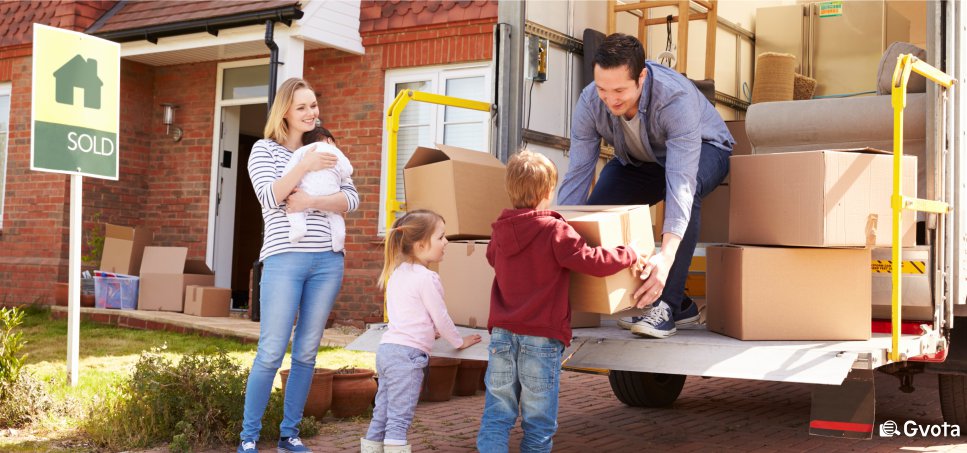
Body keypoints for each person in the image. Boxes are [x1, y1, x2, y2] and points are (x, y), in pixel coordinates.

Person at [558, 33, 734, 339]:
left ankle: (666, 305)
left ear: (641, 76)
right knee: (597, 208)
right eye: (602, 89)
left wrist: (664, 259)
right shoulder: (589, 101)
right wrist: (553, 234)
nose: (610, 99)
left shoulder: (674, 99)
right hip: (642, 161)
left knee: (685, 192)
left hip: (706, 150)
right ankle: (664, 302)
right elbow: (578, 174)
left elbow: (680, 184)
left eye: (619, 90)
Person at [477, 150, 643, 453]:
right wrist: (629, 252)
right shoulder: (555, 229)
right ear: (548, 192)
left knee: (497, 416)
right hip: (541, 338)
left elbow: (492, 258)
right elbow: (592, 261)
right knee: (538, 424)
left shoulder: (500, 231)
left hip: (501, 336)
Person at [239, 78, 359, 453]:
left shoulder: (325, 148)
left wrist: (310, 202)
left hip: (328, 262)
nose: (312, 112)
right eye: (303, 107)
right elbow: (271, 197)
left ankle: (289, 434)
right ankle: (249, 437)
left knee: (307, 351)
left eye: (314, 105)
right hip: (283, 260)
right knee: (272, 351)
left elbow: (351, 199)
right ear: (285, 112)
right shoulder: (264, 151)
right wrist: (304, 164)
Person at [361, 209, 482, 453]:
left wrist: (428, 332)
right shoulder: (427, 278)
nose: (446, 242)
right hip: (407, 357)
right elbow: (441, 317)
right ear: (420, 244)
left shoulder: (397, 273)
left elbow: (408, 315)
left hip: (387, 351)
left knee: (382, 413)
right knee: (399, 419)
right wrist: (458, 341)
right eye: (441, 237)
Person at [281, 126, 353, 247]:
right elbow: (348, 170)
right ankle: (339, 242)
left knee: (294, 211)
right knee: (335, 217)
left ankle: (298, 228)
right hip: (331, 196)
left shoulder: (302, 151)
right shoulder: (335, 151)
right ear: (330, 140)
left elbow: (287, 173)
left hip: (306, 193)